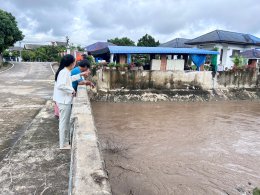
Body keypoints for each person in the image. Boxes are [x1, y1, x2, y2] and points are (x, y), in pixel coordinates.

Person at [53, 54, 89, 149]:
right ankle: (63, 144)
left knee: (65, 122)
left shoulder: (65, 71)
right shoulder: (64, 72)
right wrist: (72, 90)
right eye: (74, 62)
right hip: (64, 101)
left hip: (64, 100)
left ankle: (65, 142)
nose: (75, 63)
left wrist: (80, 75)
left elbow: (69, 80)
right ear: (72, 63)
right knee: (64, 123)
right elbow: (60, 86)